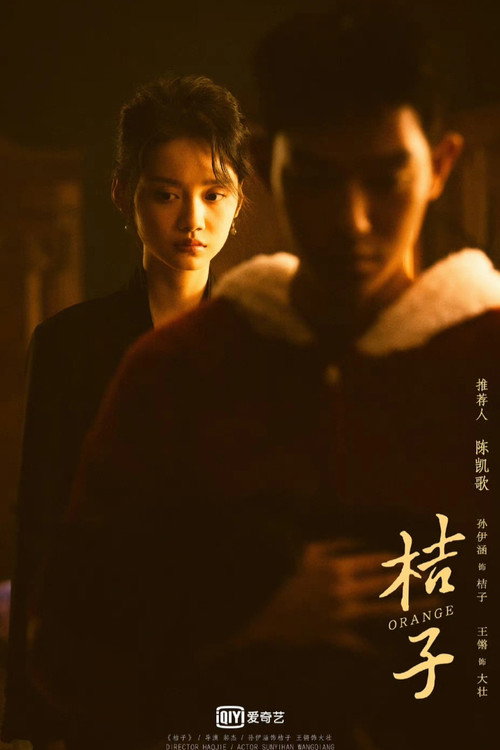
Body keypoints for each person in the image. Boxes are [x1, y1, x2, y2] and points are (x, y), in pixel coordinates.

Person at [31, 2, 497, 749]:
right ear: (269, 167)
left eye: (386, 179)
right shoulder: (176, 368)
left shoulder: (480, 355)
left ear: (440, 166)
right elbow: (68, 643)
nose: (352, 221)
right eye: (315, 178)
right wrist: (243, 613)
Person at [3, 73, 249, 749]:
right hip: (105, 658)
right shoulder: (69, 345)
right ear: (123, 194)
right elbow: (42, 521)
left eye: (213, 194)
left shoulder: (261, 343)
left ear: (238, 202)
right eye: (166, 193)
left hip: (225, 656)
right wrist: (27, 706)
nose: (192, 219)